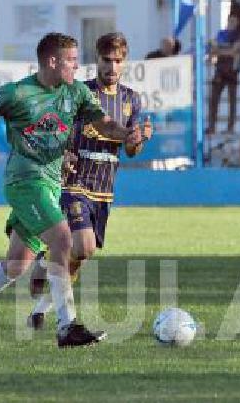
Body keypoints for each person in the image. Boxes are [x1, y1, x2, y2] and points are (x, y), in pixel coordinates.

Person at [0, 32, 139, 348]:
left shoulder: (76, 92)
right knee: (63, 238)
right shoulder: (17, 94)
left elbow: (106, 124)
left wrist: (127, 134)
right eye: (70, 61)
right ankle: (67, 327)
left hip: (50, 185)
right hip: (25, 181)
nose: (76, 67)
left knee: (16, 265)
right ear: (52, 62)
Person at [23, 32, 152, 329]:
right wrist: (63, 153)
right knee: (84, 246)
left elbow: (132, 151)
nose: (112, 67)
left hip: (104, 189)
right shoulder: (80, 92)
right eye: (107, 60)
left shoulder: (131, 99)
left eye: (118, 61)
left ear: (125, 63)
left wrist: (139, 138)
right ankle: (65, 321)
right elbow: (58, 127)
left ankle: (41, 303)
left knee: (78, 257)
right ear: (97, 60)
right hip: (75, 181)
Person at [206, 14, 240, 136]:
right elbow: (213, 49)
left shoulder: (238, 36)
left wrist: (221, 51)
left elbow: (234, 51)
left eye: (234, 22)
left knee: (232, 100)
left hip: (232, 71)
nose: (231, 23)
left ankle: (230, 127)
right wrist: (224, 51)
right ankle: (212, 126)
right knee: (214, 99)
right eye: (230, 21)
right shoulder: (221, 34)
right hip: (220, 69)